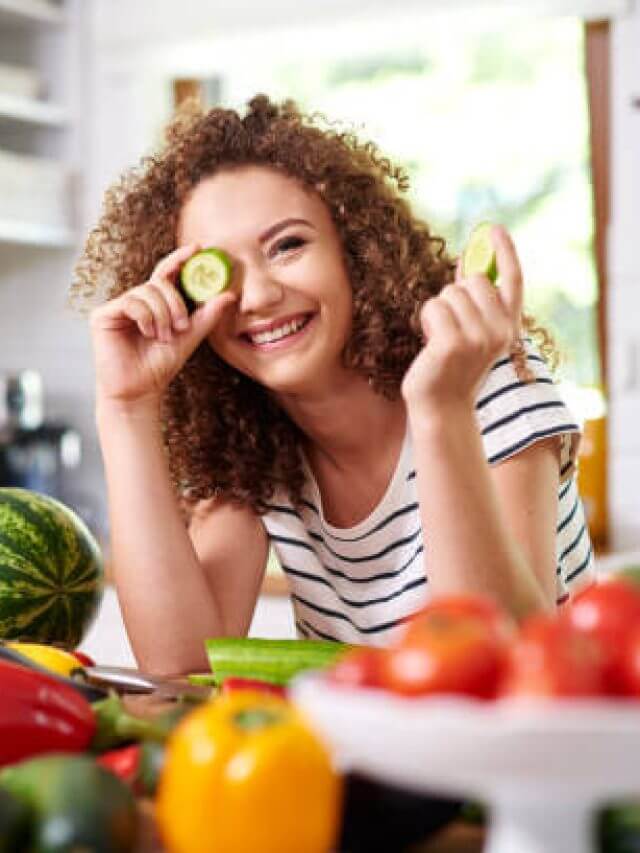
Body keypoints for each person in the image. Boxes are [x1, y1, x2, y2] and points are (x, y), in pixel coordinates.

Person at [72, 94, 595, 676]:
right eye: (220, 271)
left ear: (355, 250)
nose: (260, 297)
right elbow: (181, 664)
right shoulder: (253, 448)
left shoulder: (483, 381)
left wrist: (440, 409)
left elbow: (499, 659)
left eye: (288, 246)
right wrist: (126, 407)